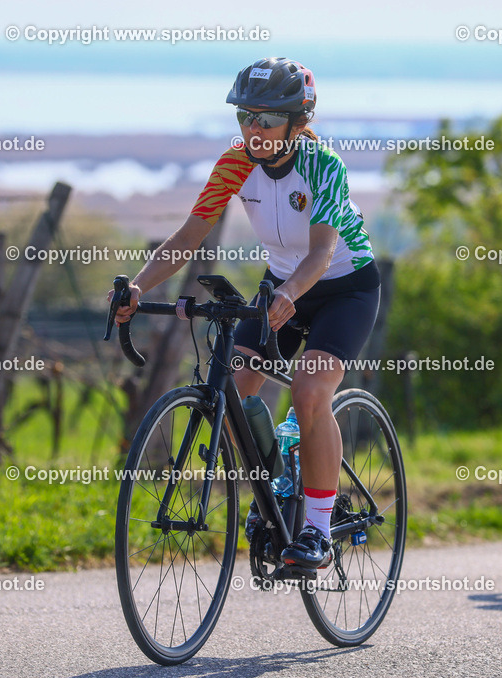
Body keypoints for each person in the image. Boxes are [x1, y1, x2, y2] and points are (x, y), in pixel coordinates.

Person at [110, 57, 380, 568]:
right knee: (233, 390)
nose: (254, 130)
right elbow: (189, 236)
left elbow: (322, 254)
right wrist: (139, 287)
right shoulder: (236, 162)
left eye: (268, 119)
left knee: (309, 391)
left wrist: (290, 293)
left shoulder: (323, 165)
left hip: (344, 288)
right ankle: (279, 486)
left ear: (299, 122)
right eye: (245, 117)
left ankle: (318, 531)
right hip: (282, 285)